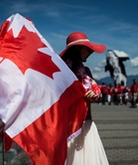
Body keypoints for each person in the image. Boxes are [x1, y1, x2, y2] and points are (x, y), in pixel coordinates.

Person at [59, 31, 109, 165]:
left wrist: (94, 94)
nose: (90, 52)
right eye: (87, 49)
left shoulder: (86, 72)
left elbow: (96, 89)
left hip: (86, 125)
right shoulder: (61, 72)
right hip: (68, 126)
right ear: (78, 49)